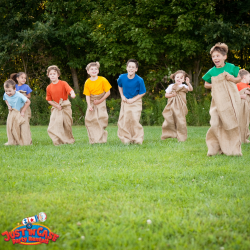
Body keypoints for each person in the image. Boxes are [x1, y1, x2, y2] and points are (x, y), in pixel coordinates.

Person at [203, 42, 242, 156]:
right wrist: (216, 84)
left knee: (230, 123)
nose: (215, 58)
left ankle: (233, 149)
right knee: (215, 122)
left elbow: (239, 78)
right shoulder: (211, 71)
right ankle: (214, 148)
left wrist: (232, 79)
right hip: (217, 102)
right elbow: (206, 84)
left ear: (224, 57)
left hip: (230, 101)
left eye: (218, 55)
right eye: (213, 56)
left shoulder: (230, 67)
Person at [117, 59, 146, 144]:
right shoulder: (122, 77)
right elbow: (120, 86)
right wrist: (122, 96)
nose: (131, 68)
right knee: (124, 120)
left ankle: (137, 138)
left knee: (134, 119)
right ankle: (126, 138)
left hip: (135, 101)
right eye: (129, 67)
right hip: (125, 101)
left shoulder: (139, 80)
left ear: (136, 69)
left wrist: (133, 100)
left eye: (133, 67)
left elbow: (143, 92)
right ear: (126, 68)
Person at [46, 65, 76, 146]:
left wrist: (72, 94)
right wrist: (56, 106)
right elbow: (49, 100)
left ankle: (69, 140)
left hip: (65, 106)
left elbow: (70, 90)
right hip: (56, 107)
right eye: (50, 74)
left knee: (67, 124)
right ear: (48, 75)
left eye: (54, 74)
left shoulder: (63, 83)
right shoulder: (49, 87)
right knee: (54, 124)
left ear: (58, 74)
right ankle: (57, 141)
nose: (52, 75)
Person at [83, 62, 112, 144]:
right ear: (88, 71)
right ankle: (93, 139)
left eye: (96, 69)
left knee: (101, 118)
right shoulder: (87, 82)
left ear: (98, 71)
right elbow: (87, 95)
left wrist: (99, 101)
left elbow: (108, 92)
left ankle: (101, 139)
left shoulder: (103, 80)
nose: (94, 70)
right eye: (91, 69)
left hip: (101, 101)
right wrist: (89, 105)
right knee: (89, 119)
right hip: (92, 102)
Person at [161, 70, 193, 142]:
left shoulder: (184, 86)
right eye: (177, 77)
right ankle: (170, 134)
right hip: (171, 106)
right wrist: (172, 95)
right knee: (170, 119)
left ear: (184, 80)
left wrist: (188, 83)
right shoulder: (171, 86)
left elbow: (190, 89)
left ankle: (181, 137)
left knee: (181, 121)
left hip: (181, 107)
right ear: (174, 77)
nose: (179, 79)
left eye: (181, 78)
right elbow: (166, 95)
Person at [3, 79, 31, 145]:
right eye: (6, 91)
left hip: (21, 110)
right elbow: (5, 99)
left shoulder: (19, 95)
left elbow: (28, 102)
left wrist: (23, 111)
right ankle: (12, 141)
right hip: (13, 111)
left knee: (23, 126)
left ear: (15, 89)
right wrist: (8, 106)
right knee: (11, 126)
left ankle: (24, 141)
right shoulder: (6, 94)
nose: (8, 93)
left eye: (10, 91)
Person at [10, 72, 33, 144]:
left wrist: (21, 96)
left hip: (24, 107)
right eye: (22, 78)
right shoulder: (14, 86)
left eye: (25, 78)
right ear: (17, 78)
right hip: (16, 107)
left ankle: (26, 141)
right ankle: (17, 141)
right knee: (16, 124)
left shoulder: (26, 87)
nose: (24, 79)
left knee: (24, 124)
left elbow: (29, 96)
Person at [237, 69, 250, 143]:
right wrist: (241, 95)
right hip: (241, 107)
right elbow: (233, 94)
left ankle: (245, 137)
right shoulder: (238, 85)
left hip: (248, 107)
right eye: (249, 76)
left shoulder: (248, 86)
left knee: (246, 122)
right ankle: (240, 138)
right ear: (244, 77)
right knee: (241, 121)